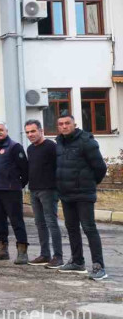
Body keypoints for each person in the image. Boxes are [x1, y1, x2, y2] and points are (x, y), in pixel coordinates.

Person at [55, 114, 108, 280]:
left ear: (74, 124)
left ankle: (99, 266)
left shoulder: (87, 142)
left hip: (84, 193)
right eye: (61, 124)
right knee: (71, 228)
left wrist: (89, 183)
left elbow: (100, 167)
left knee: (89, 228)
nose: (64, 126)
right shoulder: (59, 143)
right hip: (66, 194)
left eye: (67, 123)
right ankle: (77, 261)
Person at [0, 123, 30, 264]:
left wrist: (18, 185)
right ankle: (2, 250)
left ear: (7, 131)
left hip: (11, 191)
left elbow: (25, 169)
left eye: (1, 130)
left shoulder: (15, 147)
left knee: (16, 221)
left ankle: (22, 252)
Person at [24, 120, 64, 269]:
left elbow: (59, 168)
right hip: (34, 190)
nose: (30, 135)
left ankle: (58, 257)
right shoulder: (30, 149)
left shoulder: (51, 147)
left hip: (49, 190)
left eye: (33, 131)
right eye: (27, 132)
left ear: (41, 131)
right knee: (39, 223)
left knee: (51, 223)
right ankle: (44, 254)